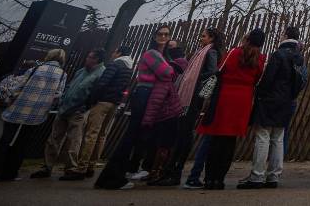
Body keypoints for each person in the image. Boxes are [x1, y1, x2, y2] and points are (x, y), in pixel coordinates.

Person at [95, 26, 175, 190]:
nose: (163, 36)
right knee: (132, 135)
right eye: (160, 34)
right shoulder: (151, 53)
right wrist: (172, 68)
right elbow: (166, 72)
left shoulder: (161, 55)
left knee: (137, 135)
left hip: (149, 94)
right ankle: (112, 177)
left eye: (166, 34)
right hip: (145, 93)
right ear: (154, 36)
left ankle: (116, 175)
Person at [0, 49, 67, 182]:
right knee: (22, 142)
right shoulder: (62, 74)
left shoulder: (36, 69)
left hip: (19, 109)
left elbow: (18, 87)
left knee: (6, 139)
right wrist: (46, 105)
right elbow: (58, 95)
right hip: (38, 113)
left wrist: (12, 99)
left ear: (49, 56)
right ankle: (11, 173)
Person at [197, 28, 267, 190]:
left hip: (224, 96)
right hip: (243, 98)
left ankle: (210, 179)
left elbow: (219, 70)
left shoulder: (234, 52)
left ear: (247, 39)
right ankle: (219, 179)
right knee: (229, 141)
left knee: (216, 139)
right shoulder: (260, 58)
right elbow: (257, 79)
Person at [152, 27, 223, 187]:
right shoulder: (201, 52)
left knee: (184, 134)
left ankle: (175, 172)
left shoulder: (210, 53)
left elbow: (212, 74)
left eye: (203, 36)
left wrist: (197, 85)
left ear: (211, 38)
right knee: (181, 133)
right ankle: (170, 171)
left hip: (193, 98)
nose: (200, 38)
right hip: (189, 96)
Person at [238, 26, 306, 189]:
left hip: (271, 100)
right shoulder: (299, 57)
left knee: (263, 136)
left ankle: (257, 176)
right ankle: (273, 176)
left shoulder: (278, 54)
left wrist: (260, 93)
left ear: (286, 35)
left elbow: (268, 78)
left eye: (282, 34)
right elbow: (302, 80)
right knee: (278, 138)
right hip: (287, 100)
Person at [33, 49, 106, 180]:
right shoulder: (81, 71)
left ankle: (71, 169)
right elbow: (69, 86)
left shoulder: (101, 73)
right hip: (64, 108)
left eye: (90, 57)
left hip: (78, 111)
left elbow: (96, 93)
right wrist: (62, 101)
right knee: (53, 139)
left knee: (73, 141)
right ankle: (47, 167)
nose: (86, 59)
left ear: (97, 60)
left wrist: (85, 107)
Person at [75, 45, 133, 179]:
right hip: (114, 103)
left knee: (91, 134)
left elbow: (103, 83)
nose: (112, 54)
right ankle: (91, 165)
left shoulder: (115, 64)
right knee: (102, 135)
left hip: (103, 102)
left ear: (119, 53)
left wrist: (92, 100)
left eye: (114, 51)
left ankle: (81, 168)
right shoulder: (128, 67)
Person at [141, 43, 188, 183]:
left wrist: (148, 118)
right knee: (166, 142)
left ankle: (156, 171)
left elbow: (157, 98)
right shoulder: (184, 67)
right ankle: (158, 170)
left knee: (163, 142)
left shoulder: (168, 72)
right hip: (175, 108)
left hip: (167, 110)